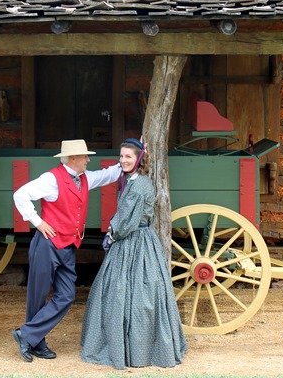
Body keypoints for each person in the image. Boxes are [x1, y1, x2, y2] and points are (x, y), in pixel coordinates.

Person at [80, 138, 187, 370]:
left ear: (138, 159)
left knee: (133, 297)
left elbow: (126, 221)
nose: (123, 161)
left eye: (128, 157)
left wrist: (111, 234)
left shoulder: (138, 186)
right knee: (123, 295)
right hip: (135, 241)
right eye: (121, 156)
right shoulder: (131, 180)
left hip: (135, 242)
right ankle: (128, 346)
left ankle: (136, 351)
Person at [11, 139, 121, 362]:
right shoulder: (51, 179)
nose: (88, 160)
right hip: (47, 245)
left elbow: (107, 175)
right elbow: (20, 195)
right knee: (37, 297)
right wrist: (37, 222)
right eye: (85, 157)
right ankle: (36, 342)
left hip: (68, 246)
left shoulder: (85, 178)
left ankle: (27, 335)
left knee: (67, 296)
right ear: (72, 158)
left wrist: (134, 158)